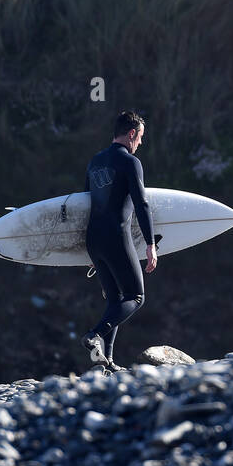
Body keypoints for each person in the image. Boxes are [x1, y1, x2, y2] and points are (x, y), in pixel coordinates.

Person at [80, 110, 158, 372]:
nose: (141, 144)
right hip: (115, 236)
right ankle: (94, 335)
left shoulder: (95, 161)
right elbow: (142, 203)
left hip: (93, 239)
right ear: (132, 134)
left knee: (115, 299)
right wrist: (150, 244)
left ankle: (108, 361)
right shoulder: (130, 163)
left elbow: (83, 202)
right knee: (136, 297)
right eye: (140, 138)